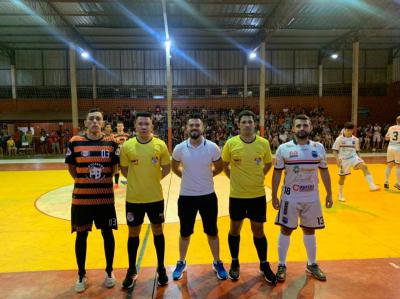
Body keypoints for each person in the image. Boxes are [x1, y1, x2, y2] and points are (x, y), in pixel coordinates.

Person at [272, 114, 333, 283]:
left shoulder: (319, 147)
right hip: (290, 197)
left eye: (305, 125)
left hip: (312, 197)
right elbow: (277, 173)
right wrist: (274, 195)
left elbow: (324, 171)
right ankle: (282, 265)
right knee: (285, 230)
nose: (302, 128)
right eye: (298, 126)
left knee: (310, 230)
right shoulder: (283, 148)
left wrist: (329, 193)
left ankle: (312, 264)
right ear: (293, 128)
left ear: (310, 128)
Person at [65, 108, 120, 293]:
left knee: (108, 234)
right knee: (81, 236)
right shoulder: (75, 142)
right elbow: (72, 169)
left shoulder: (111, 143)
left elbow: (114, 168)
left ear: (103, 123)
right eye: (91, 119)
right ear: (86, 123)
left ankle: (110, 271)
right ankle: (81, 273)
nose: (95, 121)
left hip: (105, 199)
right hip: (81, 201)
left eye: (98, 119)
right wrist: (84, 182)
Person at [221, 110, 277, 284]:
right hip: (237, 196)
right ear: (238, 124)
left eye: (250, 122)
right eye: (243, 122)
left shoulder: (263, 143)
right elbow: (224, 165)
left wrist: (259, 176)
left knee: (258, 230)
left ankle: (264, 263)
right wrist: (236, 179)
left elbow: (268, 163)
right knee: (235, 229)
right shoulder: (231, 143)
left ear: (254, 124)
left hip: (257, 195)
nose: (247, 124)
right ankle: (235, 262)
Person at [171, 114, 228, 281]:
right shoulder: (179, 148)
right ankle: (181, 261)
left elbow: (219, 167)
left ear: (202, 128)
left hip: (208, 196)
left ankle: (217, 261)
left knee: (212, 231)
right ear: (186, 128)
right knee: (185, 232)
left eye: (197, 125)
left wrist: (207, 176)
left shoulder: (212, 147)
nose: (194, 128)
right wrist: (186, 177)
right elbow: (175, 167)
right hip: (186, 197)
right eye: (191, 125)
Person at [120, 112, 170, 288]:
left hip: (155, 198)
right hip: (134, 199)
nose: (143, 126)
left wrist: (152, 181)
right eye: (140, 123)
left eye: (146, 124)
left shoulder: (160, 145)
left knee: (158, 230)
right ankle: (131, 269)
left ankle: (162, 268)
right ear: (135, 126)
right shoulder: (127, 146)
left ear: (152, 126)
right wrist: (137, 182)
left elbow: (166, 168)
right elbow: (124, 170)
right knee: (133, 233)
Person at [332, 122, 380, 202]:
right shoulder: (339, 139)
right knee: (342, 178)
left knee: (364, 166)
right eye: (347, 130)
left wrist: (360, 159)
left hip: (353, 157)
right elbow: (334, 150)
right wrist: (337, 160)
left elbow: (357, 151)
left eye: (350, 130)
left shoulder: (355, 139)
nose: (349, 132)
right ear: (344, 129)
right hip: (343, 160)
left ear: (352, 130)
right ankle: (340, 194)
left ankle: (372, 186)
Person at [384, 115, 400, 190]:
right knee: (398, 166)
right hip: (398, 147)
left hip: (390, 147)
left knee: (389, 165)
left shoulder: (391, 127)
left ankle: (386, 182)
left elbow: (386, 138)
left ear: (396, 121)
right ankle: (398, 183)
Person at [113, 121, 130, 188]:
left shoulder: (127, 135)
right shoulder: (113, 136)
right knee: (116, 169)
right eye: (118, 126)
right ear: (116, 127)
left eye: (121, 126)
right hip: (117, 154)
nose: (120, 127)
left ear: (123, 127)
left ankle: (128, 181)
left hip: (125, 154)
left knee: (127, 168)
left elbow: (129, 144)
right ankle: (116, 184)